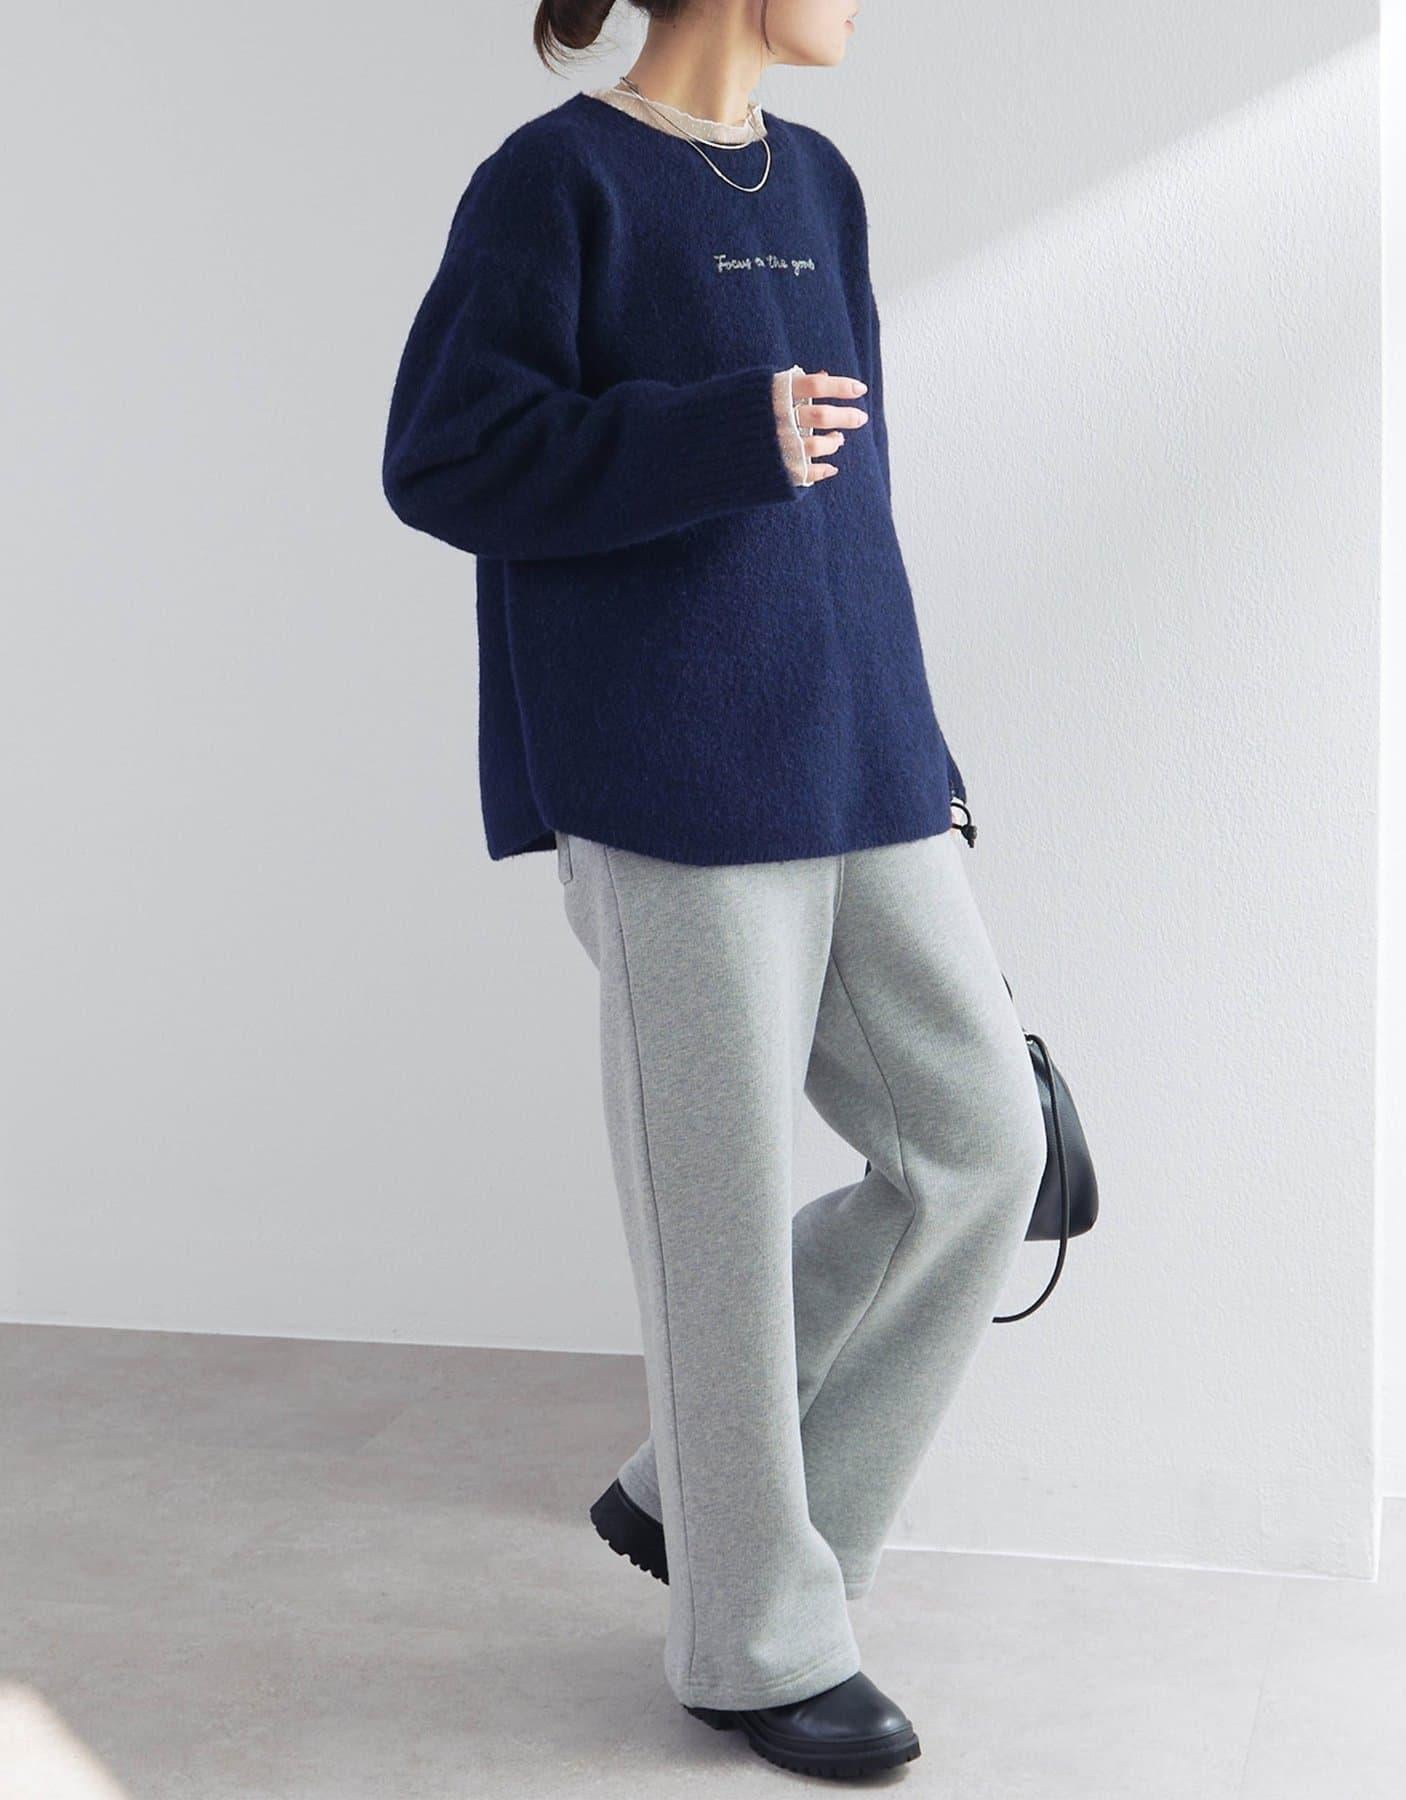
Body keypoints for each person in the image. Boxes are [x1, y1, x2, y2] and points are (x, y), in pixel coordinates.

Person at [381, 0, 1048, 1778]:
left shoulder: (819, 183)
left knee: (981, 1151)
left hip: (860, 765)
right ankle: (758, 1642)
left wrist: (924, 756)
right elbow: (442, 456)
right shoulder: (556, 184)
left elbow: (855, 506)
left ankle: (705, 1493)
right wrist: (710, 434)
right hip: (669, 780)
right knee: (720, 1226)